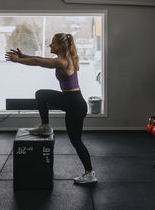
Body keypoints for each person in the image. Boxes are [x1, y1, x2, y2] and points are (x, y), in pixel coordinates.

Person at [5, 33, 97, 184]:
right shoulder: (65, 60)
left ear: (60, 46)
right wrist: (22, 55)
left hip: (74, 104)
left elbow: (37, 62)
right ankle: (45, 126)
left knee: (76, 142)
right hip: (71, 101)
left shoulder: (63, 62)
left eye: (53, 43)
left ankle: (90, 173)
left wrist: (18, 61)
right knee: (41, 94)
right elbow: (40, 59)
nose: (50, 46)